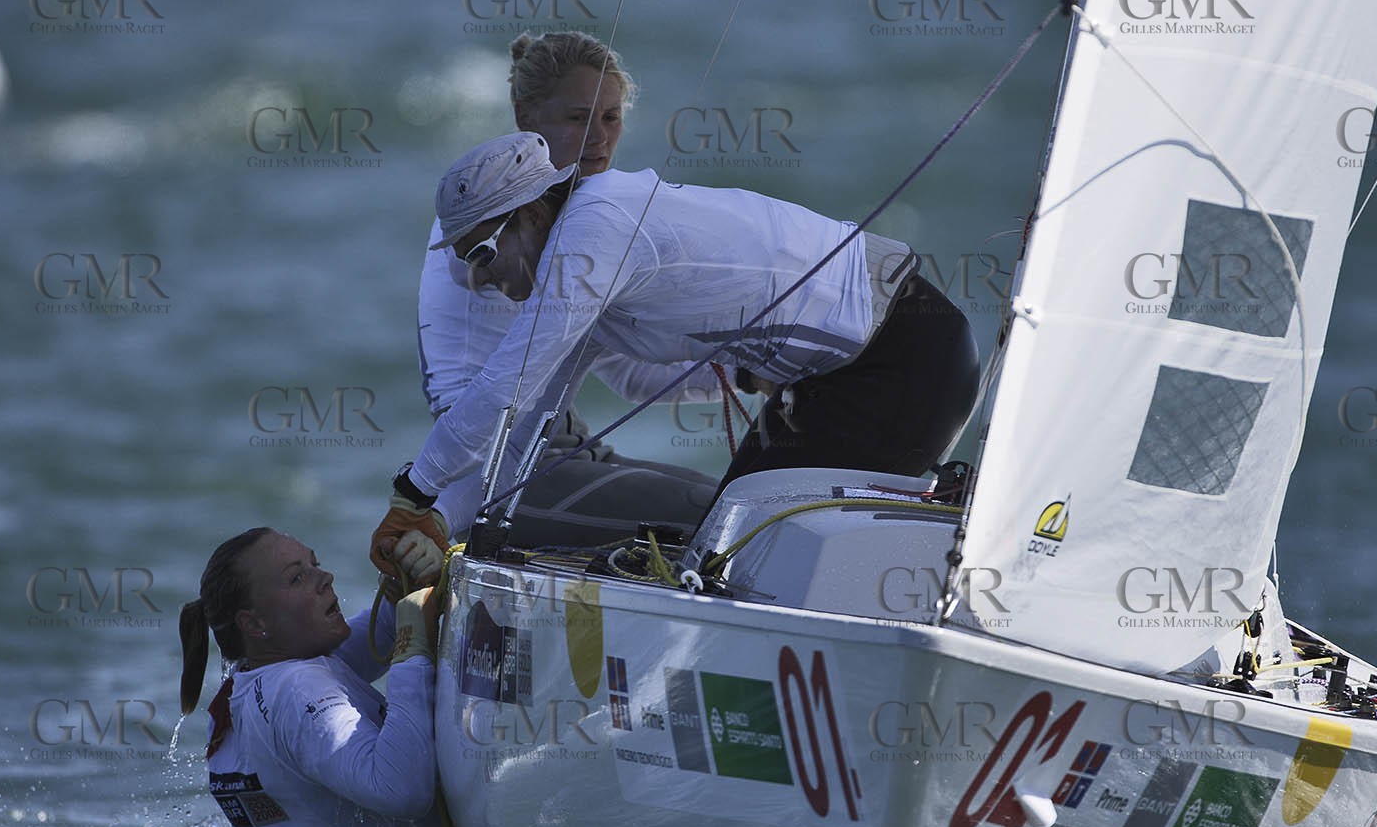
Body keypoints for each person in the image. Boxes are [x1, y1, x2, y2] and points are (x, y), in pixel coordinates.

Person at [370, 131, 980, 574]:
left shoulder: (594, 231)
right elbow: (538, 414)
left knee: (739, 556)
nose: (479, 280)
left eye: (480, 255)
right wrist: (460, 532)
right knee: (723, 546)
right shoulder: (588, 259)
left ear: (530, 214)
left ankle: (948, 536)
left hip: (904, 360)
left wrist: (414, 493)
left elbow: (509, 384)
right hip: (837, 378)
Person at [416, 31, 718, 547]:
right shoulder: (493, 210)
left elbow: (629, 371)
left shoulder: (568, 213)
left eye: (610, 117)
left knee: (736, 497)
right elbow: (464, 270)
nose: (597, 139)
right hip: (490, 466)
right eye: (577, 119)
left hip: (562, 444)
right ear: (525, 117)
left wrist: (749, 374)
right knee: (719, 517)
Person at [179, 526, 496, 827]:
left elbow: (368, 642)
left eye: (316, 564)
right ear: (254, 623)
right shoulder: (296, 691)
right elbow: (399, 788)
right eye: (297, 577)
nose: (323, 578)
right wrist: (412, 649)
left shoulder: (250, 684)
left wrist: (404, 579)